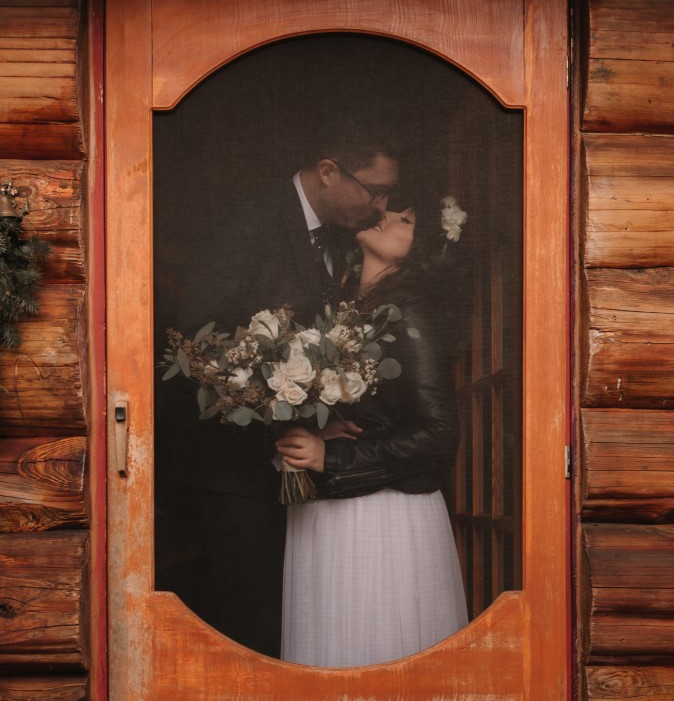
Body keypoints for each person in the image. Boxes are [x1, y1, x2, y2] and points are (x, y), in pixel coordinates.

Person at [154, 116, 401, 657]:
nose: (381, 207)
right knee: (245, 623)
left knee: (288, 618)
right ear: (328, 171)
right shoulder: (248, 222)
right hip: (230, 470)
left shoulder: (344, 238)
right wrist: (289, 425)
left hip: (291, 469)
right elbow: (201, 342)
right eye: (375, 191)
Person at [275, 196, 470, 667]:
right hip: (332, 510)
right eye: (392, 210)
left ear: (422, 250)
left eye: (406, 220)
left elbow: (440, 432)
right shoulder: (344, 310)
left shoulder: (411, 314)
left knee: (375, 655)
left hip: (381, 518)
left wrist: (331, 457)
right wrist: (310, 431)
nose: (387, 216)